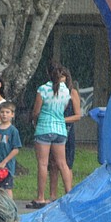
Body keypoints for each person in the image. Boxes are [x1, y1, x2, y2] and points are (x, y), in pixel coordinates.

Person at [27, 63, 78, 209]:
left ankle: (41, 197)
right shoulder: (66, 91)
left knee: (43, 163)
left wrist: (34, 119)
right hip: (60, 129)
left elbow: (36, 111)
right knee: (62, 163)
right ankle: (69, 194)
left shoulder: (43, 89)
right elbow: (63, 108)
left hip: (44, 128)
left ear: (49, 74)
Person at [48, 66, 82, 202]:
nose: (60, 80)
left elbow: (78, 115)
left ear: (67, 78)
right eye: (57, 77)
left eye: (62, 77)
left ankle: (69, 193)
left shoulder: (72, 92)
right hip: (51, 129)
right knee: (52, 163)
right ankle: (52, 195)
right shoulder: (50, 92)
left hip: (66, 129)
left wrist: (62, 120)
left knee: (67, 162)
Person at [0, 101, 22, 199]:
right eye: (2, 112)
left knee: (7, 188)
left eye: (7, 112)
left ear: (12, 114)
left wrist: (4, 162)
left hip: (7, 167)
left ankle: (9, 206)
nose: (4, 114)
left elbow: (16, 149)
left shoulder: (13, 131)